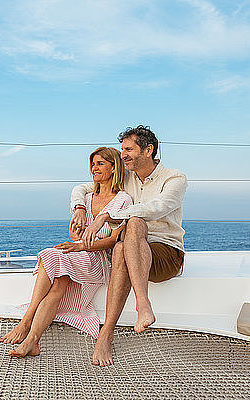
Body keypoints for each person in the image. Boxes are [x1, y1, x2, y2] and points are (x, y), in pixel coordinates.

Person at [70, 125, 187, 366]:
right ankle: (109, 332)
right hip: (130, 250)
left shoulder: (174, 178)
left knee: (134, 221)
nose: (123, 154)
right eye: (122, 149)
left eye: (129, 149)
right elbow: (82, 188)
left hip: (165, 252)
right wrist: (80, 207)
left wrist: (106, 215)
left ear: (148, 150)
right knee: (122, 246)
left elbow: (157, 208)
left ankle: (139, 305)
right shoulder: (127, 178)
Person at [0, 147, 132, 358]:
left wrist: (81, 246)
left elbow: (115, 239)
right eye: (93, 164)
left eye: (100, 164)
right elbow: (75, 235)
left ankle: (27, 320)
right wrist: (76, 233)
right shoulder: (87, 198)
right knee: (57, 276)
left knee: (52, 255)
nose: (94, 168)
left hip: (98, 259)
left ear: (114, 167)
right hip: (79, 253)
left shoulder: (124, 200)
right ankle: (32, 340)